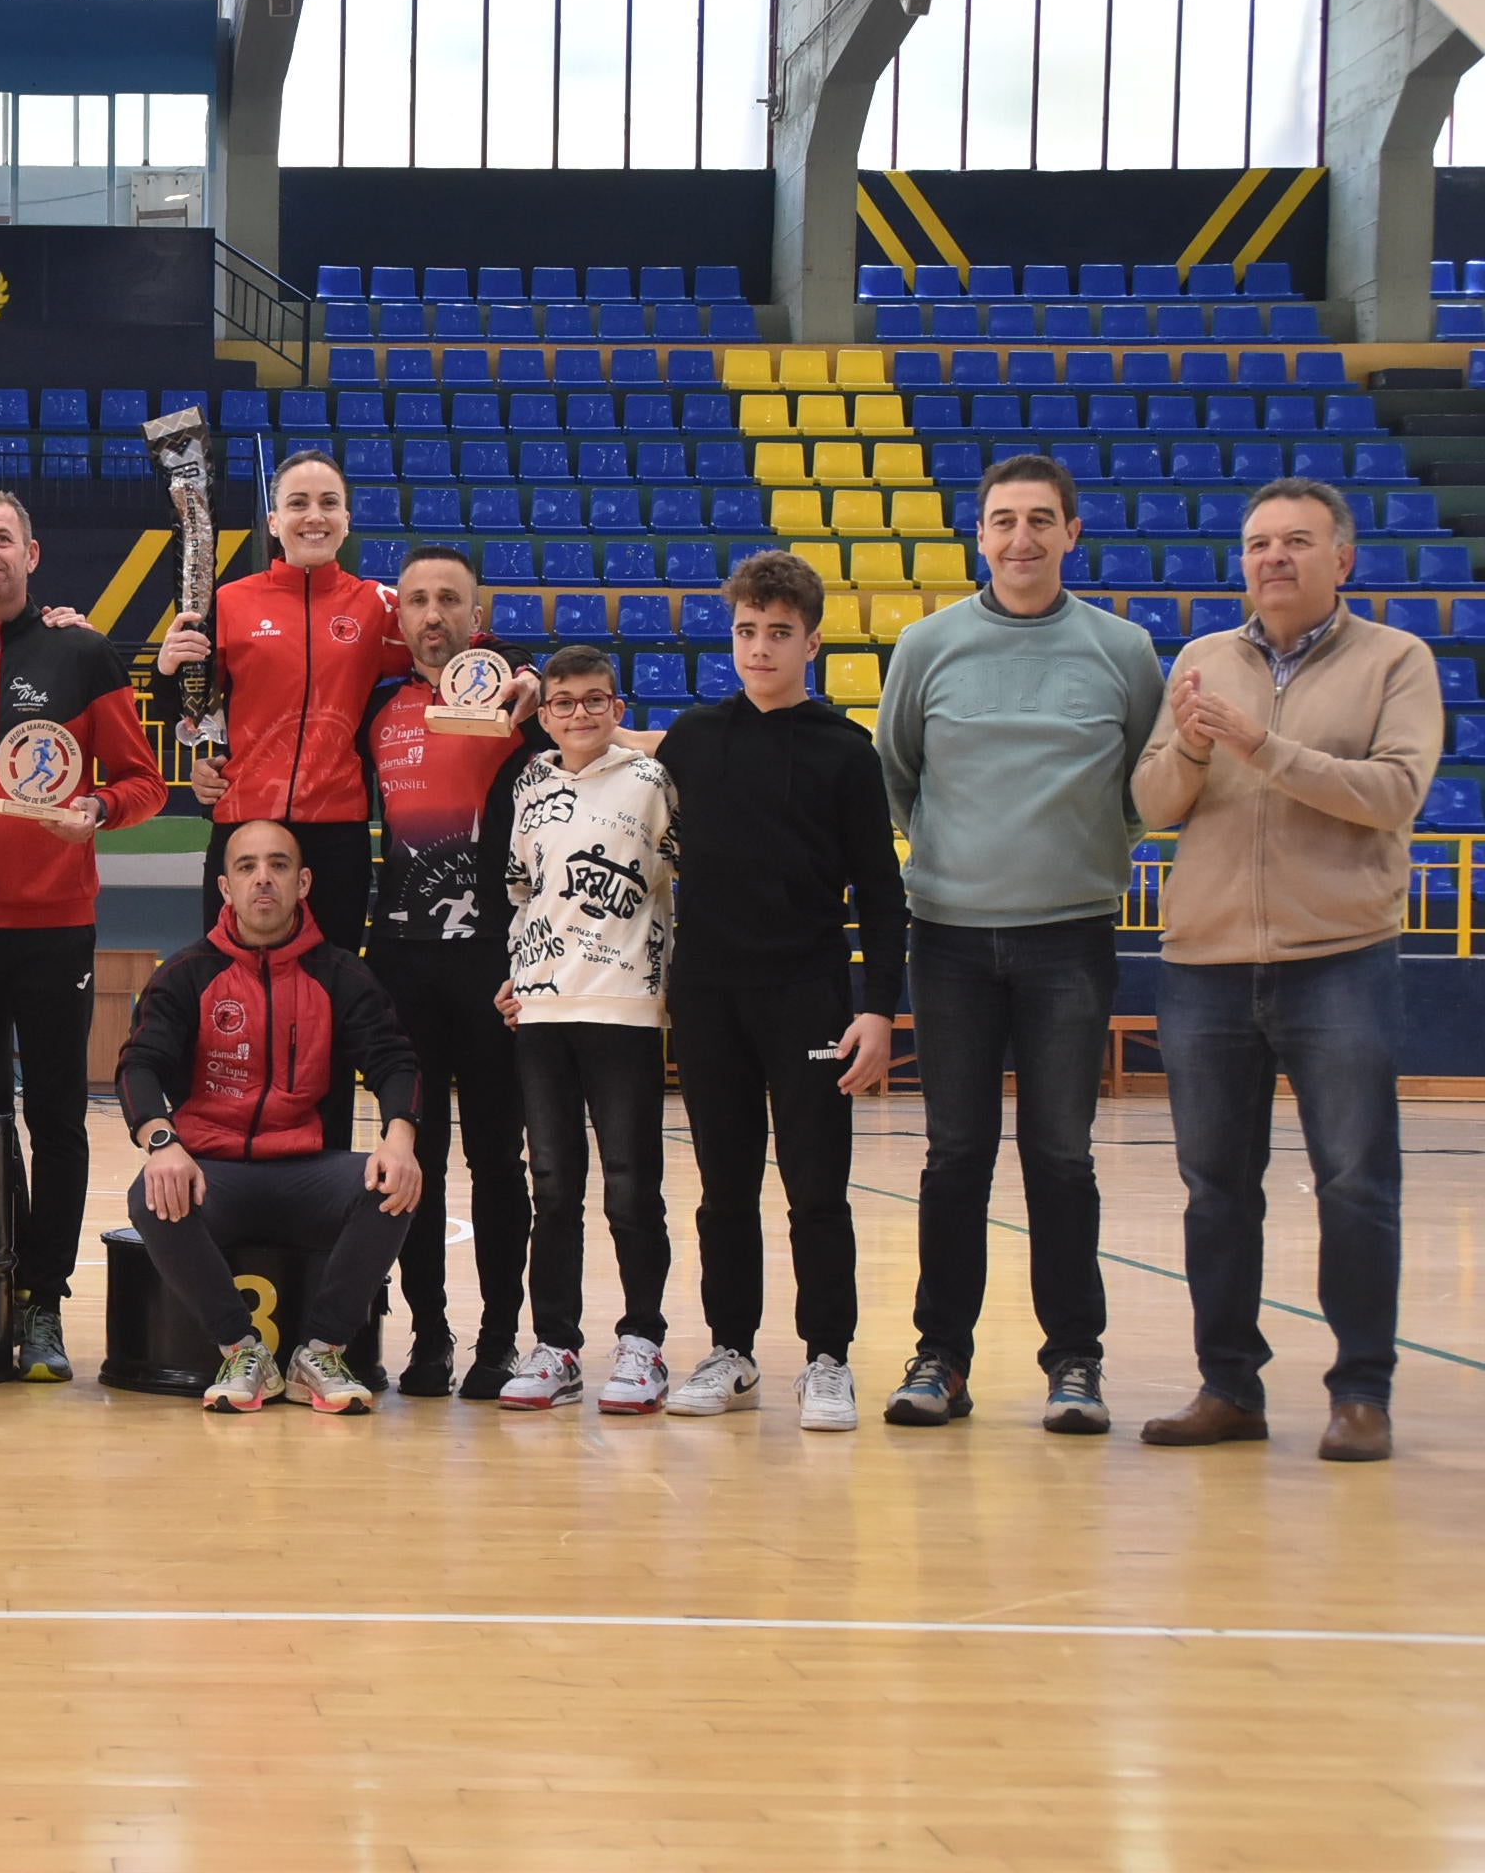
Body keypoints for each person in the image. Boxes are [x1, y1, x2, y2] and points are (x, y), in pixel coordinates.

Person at [1132, 477, 1442, 1465]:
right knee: (1214, 1188)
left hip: (1338, 957)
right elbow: (1150, 801)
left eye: (1296, 541)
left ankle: (1360, 1392)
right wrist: (1186, 744)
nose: (1272, 556)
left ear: (1341, 559)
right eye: (1258, 541)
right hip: (1205, 960)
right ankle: (1227, 1386)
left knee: (1355, 1180)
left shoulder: (1398, 658)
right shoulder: (1199, 658)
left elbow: (1392, 793)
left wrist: (1263, 745)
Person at [876, 453, 1165, 1434]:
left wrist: (1077, 857)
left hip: (1069, 940)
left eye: (1041, 520)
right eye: (1003, 520)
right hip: (949, 938)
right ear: (979, 534)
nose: (1021, 538)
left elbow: (1145, 788)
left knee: (1061, 1156)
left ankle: (1073, 1360)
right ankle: (939, 1357)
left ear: (1071, 532)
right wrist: (960, 864)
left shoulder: (1122, 649)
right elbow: (896, 775)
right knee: (954, 1154)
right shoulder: (927, 644)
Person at [614, 550, 903, 1434]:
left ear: (811, 642)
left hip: (808, 995)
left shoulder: (848, 752)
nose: (760, 648)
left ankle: (827, 1358)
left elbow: (881, 894)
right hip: (709, 996)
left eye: (779, 633)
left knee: (818, 1188)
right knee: (724, 1188)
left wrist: (878, 1008)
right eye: (746, 632)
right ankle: (732, 1351)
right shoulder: (697, 737)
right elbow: (611, 747)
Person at [0, 489, 168, 1381]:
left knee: (56, 1120)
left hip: (55, 929)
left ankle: (42, 1301)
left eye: (1, 538)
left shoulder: (85, 655)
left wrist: (97, 808)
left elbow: (144, 783)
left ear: (32, 553)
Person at [117, 820, 425, 1414]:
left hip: (304, 1171)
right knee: (148, 1195)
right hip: (215, 1174)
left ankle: (322, 1352)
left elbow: (395, 1061)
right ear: (225, 887)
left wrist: (399, 1137)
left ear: (303, 882)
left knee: (396, 1185)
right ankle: (241, 1350)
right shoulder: (185, 974)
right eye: (248, 866)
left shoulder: (340, 974)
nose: (264, 878)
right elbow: (140, 1065)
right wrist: (161, 1141)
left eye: (279, 865)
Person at [351, 543, 545, 1400]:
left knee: (501, 1160)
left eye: (450, 601)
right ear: (401, 620)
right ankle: (428, 1335)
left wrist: (530, 685)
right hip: (402, 967)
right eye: (419, 601)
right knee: (412, 1158)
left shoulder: (520, 705)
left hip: (497, 970)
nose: (434, 616)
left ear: (479, 617)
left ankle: (500, 1338)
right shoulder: (379, 713)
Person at [494, 643, 680, 1415]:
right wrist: (518, 970)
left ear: (617, 708)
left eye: (594, 701)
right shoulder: (530, 780)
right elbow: (523, 892)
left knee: (633, 1189)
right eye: (564, 703)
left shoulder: (652, 782)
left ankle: (643, 1343)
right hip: (542, 1011)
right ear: (544, 714)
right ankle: (557, 1346)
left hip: (625, 1007)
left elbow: (683, 882)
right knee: (554, 1188)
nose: (579, 715)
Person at [156, 450, 410, 952]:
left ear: (346, 520)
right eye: (298, 503)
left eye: (328, 503)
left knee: (331, 978)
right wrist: (167, 671)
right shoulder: (228, 601)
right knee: (230, 978)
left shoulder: (379, 606)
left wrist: (520, 667)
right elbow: (186, 709)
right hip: (245, 824)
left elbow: (451, 652)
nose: (314, 516)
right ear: (274, 521)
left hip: (337, 832)